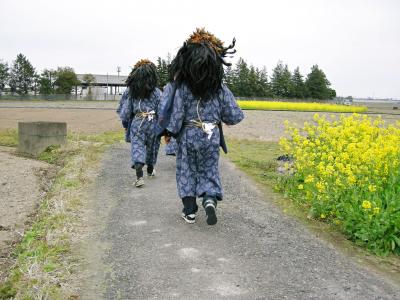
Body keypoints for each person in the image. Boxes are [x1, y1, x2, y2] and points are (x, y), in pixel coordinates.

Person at [163, 28, 244, 225]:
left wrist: (170, 132)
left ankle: (190, 210)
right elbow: (233, 115)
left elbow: (176, 116)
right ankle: (209, 199)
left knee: (186, 170)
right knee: (209, 169)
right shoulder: (220, 89)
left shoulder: (182, 88)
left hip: (188, 135)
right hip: (211, 135)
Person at [119, 59, 161, 187]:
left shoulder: (130, 91)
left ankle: (139, 175)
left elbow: (125, 111)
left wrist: (126, 125)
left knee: (137, 147)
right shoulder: (157, 92)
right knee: (152, 147)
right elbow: (162, 110)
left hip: (137, 122)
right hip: (153, 122)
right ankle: (150, 168)